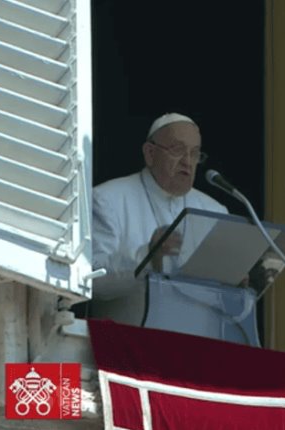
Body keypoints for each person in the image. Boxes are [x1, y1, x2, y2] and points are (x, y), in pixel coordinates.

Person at [89, 113, 228, 325]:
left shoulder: (215, 211)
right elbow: (92, 281)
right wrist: (148, 258)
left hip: (197, 343)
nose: (187, 162)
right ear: (150, 153)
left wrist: (239, 283)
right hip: (126, 346)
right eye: (178, 150)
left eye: (195, 153)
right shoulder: (108, 199)